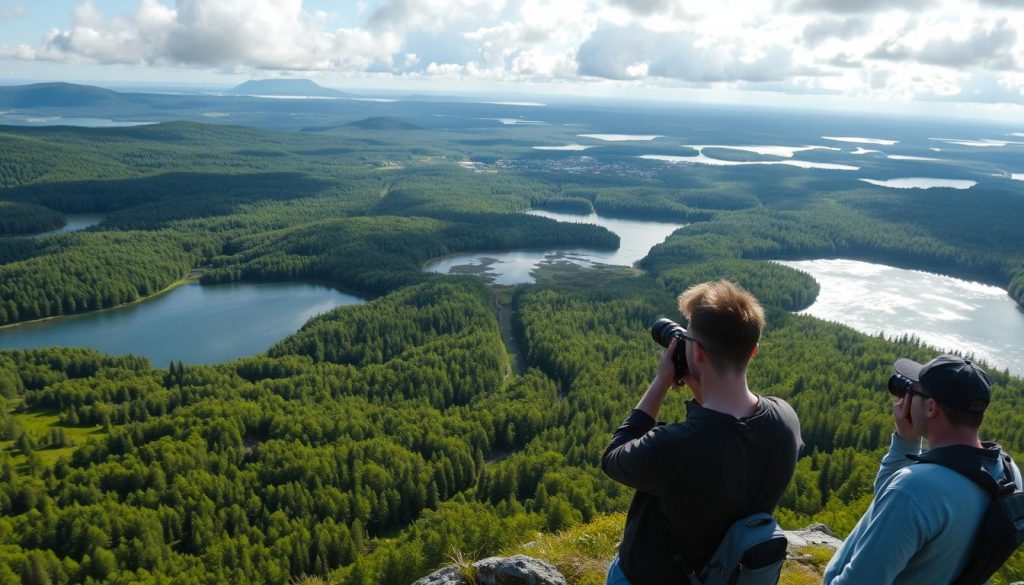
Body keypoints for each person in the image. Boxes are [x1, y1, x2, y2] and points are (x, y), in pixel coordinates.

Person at [602, 280, 803, 585]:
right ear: (753, 351)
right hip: (730, 573)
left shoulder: (675, 446)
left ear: (695, 354)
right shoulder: (785, 419)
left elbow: (614, 458)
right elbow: (728, 439)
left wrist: (660, 383)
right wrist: (700, 386)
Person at [823, 354, 1023, 584]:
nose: (905, 399)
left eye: (912, 393)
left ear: (930, 407)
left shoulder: (916, 488)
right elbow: (886, 508)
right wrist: (905, 442)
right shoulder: (1007, 474)